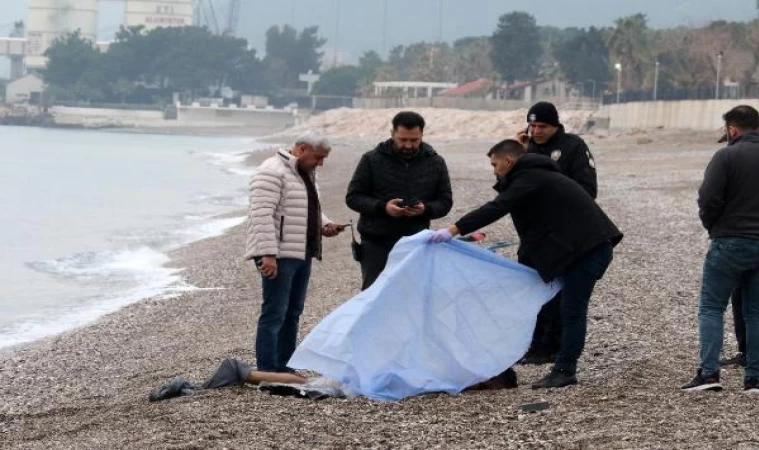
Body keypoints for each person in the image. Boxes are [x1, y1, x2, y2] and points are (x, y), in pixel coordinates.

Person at [427, 139, 623, 389]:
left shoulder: (532, 177)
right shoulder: (533, 175)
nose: (494, 170)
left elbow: (497, 207)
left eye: (495, 164)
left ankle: (565, 369)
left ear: (509, 161)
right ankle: (548, 354)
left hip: (589, 250)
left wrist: (453, 229)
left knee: (572, 309)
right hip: (580, 248)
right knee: (558, 305)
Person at [244, 133, 344, 373]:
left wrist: (325, 225)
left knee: (292, 313)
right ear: (301, 149)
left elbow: (308, 208)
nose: (321, 163)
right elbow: (261, 215)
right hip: (278, 253)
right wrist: (267, 254)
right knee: (275, 313)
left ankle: (285, 365)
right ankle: (267, 369)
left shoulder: (304, 172)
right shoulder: (271, 171)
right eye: (319, 157)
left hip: (302, 252)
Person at [681, 105, 759, 393]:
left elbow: (708, 198)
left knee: (712, 307)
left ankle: (710, 374)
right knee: (756, 312)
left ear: (732, 129)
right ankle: (755, 377)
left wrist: (713, 227)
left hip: (729, 240)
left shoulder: (726, 155)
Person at [516, 101, 600, 365]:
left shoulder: (572, 146)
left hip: (564, 233)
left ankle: (555, 346)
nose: (536, 131)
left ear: (555, 125)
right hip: (534, 233)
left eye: (542, 126)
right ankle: (536, 344)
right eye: (532, 125)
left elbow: (587, 190)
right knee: (533, 288)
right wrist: (519, 152)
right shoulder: (524, 149)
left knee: (561, 292)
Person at [346, 111, 453, 290]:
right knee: (374, 296)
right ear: (392, 134)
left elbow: (445, 201)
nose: (408, 145)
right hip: (376, 243)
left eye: (414, 140)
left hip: (416, 243)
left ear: (422, 135)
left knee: (412, 297)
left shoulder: (435, 162)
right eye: (402, 140)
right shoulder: (371, 159)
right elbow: (353, 197)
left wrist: (425, 209)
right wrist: (383, 207)